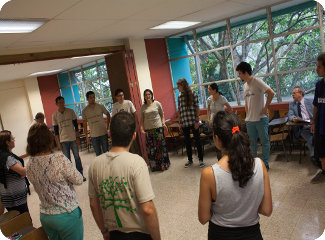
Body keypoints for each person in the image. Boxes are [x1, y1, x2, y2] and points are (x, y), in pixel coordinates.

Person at [198, 111, 272, 240]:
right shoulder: (260, 165)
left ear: (217, 139)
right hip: (252, 234)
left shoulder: (209, 174)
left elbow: (203, 218)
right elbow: (267, 210)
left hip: (220, 235)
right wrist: (247, 208)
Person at [88, 112, 161, 240]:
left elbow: (94, 204)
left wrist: (104, 231)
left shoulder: (95, 164)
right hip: (139, 234)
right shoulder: (136, 162)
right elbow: (147, 209)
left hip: (113, 234)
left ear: (110, 133)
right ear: (134, 135)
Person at [26, 123, 84, 240]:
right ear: (48, 139)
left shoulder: (29, 163)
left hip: (46, 216)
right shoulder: (58, 159)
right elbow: (78, 179)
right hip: (66, 214)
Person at [236, 62, 275, 170]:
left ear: (246, 72)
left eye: (239, 73)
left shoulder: (257, 81)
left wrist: (266, 107)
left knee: (264, 142)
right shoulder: (245, 86)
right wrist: (247, 115)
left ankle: (265, 163)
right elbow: (246, 101)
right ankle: (254, 164)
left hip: (261, 118)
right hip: (250, 120)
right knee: (252, 144)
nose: (238, 75)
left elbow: (271, 92)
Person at [52, 96, 86, 181]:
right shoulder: (55, 115)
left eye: (63, 102)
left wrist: (77, 138)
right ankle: (72, 177)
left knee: (77, 157)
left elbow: (76, 126)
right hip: (63, 140)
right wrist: (58, 143)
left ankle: (80, 175)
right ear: (56, 104)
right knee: (67, 160)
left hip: (73, 138)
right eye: (59, 102)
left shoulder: (71, 111)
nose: (61, 104)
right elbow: (56, 131)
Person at [176, 78, 204, 168]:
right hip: (184, 123)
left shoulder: (193, 93)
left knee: (198, 141)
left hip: (193, 122)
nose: (177, 88)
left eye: (178, 86)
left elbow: (197, 108)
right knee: (187, 142)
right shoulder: (179, 96)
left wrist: (196, 121)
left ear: (183, 85)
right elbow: (180, 110)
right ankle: (190, 160)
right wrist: (180, 123)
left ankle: (201, 160)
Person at [0, 130, 29, 214]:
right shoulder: (7, 158)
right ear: (7, 142)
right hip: (14, 197)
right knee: (24, 220)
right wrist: (28, 166)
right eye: (12, 139)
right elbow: (23, 172)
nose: (14, 140)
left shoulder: (4, 155)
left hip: (9, 195)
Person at [140, 89, 170, 171]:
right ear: (144, 96)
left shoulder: (157, 103)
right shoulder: (143, 107)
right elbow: (142, 119)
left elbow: (162, 115)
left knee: (160, 147)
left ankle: (163, 165)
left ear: (152, 95)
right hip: (148, 130)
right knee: (151, 149)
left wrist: (163, 123)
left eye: (149, 94)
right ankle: (154, 166)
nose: (147, 96)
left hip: (158, 129)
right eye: (146, 94)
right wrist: (141, 128)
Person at [288, 86, 317, 166]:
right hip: (302, 128)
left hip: (313, 125)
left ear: (300, 93)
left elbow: (317, 112)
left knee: (317, 137)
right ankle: (314, 156)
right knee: (311, 138)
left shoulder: (310, 101)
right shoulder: (292, 104)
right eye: (292, 93)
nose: (292, 95)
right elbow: (290, 115)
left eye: (294, 93)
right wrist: (293, 118)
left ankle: (316, 155)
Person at [310, 53, 325, 183]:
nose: (316, 69)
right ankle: (324, 172)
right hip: (320, 124)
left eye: (319, 66)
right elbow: (316, 105)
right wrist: (314, 122)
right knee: (321, 151)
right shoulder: (319, 85)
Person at [82, 91, 111, 156]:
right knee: (98, 154)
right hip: (93, 136)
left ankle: (108, 166)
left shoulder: (100, 106)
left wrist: (108, 127)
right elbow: (84, 124)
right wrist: (86, 136)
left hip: (103, 133)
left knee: (106, 153)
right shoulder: (84, 111)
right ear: (87, 99)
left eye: (93, 97)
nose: (93, 99)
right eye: (91, 97)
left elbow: (108, 114)